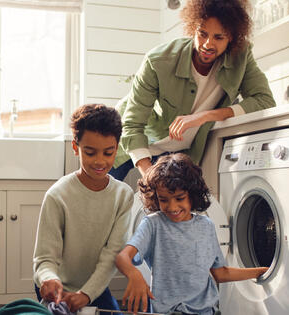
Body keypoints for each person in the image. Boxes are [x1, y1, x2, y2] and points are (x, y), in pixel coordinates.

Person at [110, 0, 275, 181]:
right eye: (202, 34)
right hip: (129, 139)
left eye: (218, 37)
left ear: (232, 38)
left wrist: (205, 116)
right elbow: (132, 125)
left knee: (171, 205)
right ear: (192, 27)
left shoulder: (241, 58)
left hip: (179, 151)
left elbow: (264, 100)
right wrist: (150, 176)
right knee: (102, 196)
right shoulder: (158, 61)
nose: (207, 44)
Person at [115, 153, 268, 314]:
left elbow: (221, 273)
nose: (172, 207)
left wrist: (259, 272)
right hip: (168, 311)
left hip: (206, 311)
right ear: (155, 197)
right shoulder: (153, 224)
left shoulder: (206, 226)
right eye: (164, 199)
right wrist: (135, 276)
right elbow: (122, 257)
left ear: (192, 194)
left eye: (179, 198)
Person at [33, 103, 134, 313]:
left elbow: (112, 254)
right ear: (75, 147)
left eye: (108, 153)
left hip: (94, 288)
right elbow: (44, 259)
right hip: (56, 287)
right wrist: (48, 279)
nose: (99, 161)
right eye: (90, 152)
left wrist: (86, 294)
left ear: (117, 147)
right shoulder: (57, 195)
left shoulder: (123, 196)